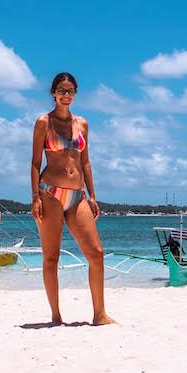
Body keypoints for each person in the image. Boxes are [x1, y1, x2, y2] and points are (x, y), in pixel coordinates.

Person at [31, 72, 115, 326]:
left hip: (77, 196)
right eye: (61, 91)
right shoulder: (43, 122)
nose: (66, 95)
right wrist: (35, 197)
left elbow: (85, 161)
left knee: (96, 253)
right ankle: (56, 317)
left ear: (75, 93)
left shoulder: (83, 124)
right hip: (50, 193)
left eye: (70, 91)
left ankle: (99, 314)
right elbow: (35, 163)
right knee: (51, 257)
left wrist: (92, 196)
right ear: (53, 93)